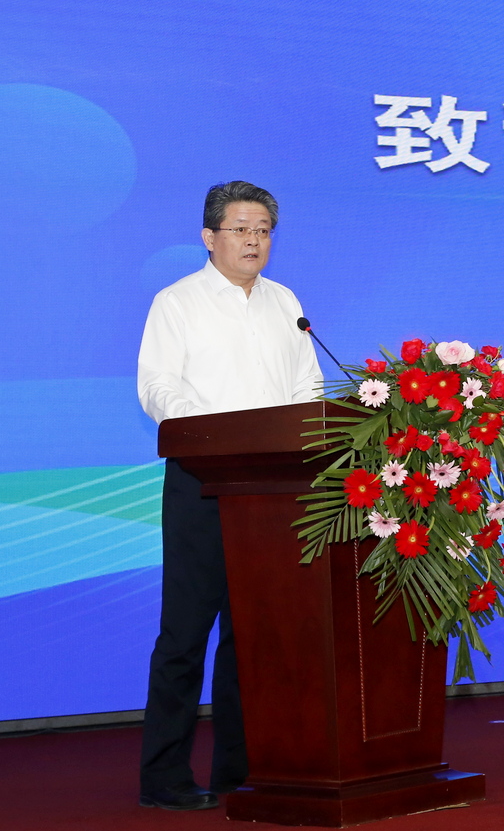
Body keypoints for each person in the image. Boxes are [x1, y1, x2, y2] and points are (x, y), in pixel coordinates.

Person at [135, 181, 323, 811]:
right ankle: (163, 777)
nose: (254, 240)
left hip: (273, 490)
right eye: (241, 229)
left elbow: (307, 385)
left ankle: (238, 770)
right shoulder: (177, 301)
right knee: (185, 634)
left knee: (255, 636)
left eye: (263, 230)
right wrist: (215, 436)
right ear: (209, 237)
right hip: (203, 481)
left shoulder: (284, 301)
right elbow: (158, 385)